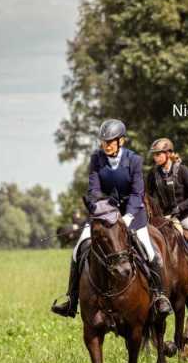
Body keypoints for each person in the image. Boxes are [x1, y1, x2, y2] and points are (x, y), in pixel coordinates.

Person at [51, 119, 172, 318]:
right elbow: (94, 189)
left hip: (133, 214)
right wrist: (102, 209)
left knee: (150, 252)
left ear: (121, 141)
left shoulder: (134, 160)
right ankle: (71, 300)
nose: (106, 145)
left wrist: (127, 216)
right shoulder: (96, 160)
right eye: (104, 141)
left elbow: (137, 192)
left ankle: (159, 296)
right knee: (78, 249)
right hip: (104, 212)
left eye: (111, 141)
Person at [144, 137, 188, 293]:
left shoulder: (182, 170)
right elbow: (148, 196)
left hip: (185, 216)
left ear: (168, 153)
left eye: (158, 154)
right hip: (164, 218)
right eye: (154, 155)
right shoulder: (152, 174)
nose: (155, 157)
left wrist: (180, 208)